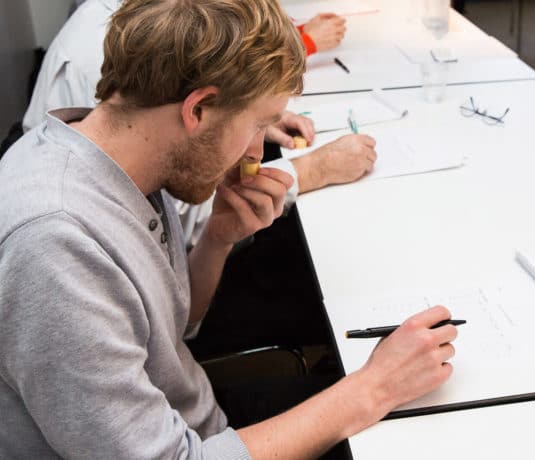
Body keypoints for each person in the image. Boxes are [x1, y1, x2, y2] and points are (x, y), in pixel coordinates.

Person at [0, 0, 458, 458]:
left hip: (196, 417)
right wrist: (373, 389)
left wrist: (218, 238)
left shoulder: (122, 155)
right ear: (197, 108)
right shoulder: (55, 244)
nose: (256, 152)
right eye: (258, 125)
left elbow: (173, 325)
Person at [22, 0, 369, 248]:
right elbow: (188, 217)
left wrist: (249, 112)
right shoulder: (64, 242)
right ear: (200, 108)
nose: (256, 152)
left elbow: (178, 319)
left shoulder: (145, 20)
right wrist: (311, 170)